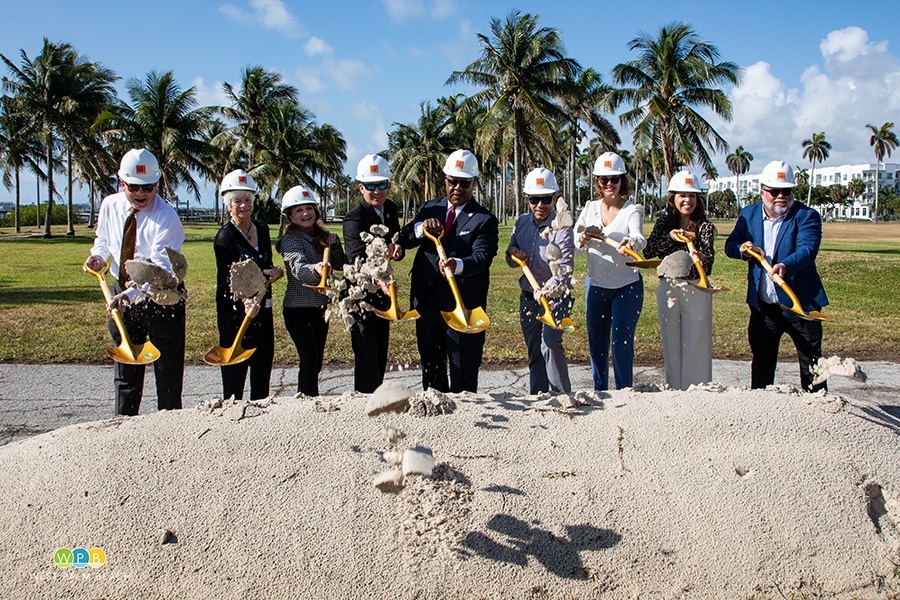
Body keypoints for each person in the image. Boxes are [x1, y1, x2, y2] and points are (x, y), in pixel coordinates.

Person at [84, 149, 186, 416]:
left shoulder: (167, 217)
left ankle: (170, 425)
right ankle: (124, 425)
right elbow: (104, 240)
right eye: (134, 187)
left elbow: (158, 270)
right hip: (122, 292)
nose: (141, 194)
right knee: (126, 365)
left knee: (167, 370)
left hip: (161, 295)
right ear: (121, 183)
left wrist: (129, 296)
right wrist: (98, 256)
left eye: (149, 188)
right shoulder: (110, 205)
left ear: (157, 185)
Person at [398, 149, 499, 393]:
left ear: (472, 184)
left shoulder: (484, 220)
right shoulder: (429, 209)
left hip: (462, 305)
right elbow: (405, 238)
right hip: (427, 303)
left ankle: (465, 423)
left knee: (463, 372)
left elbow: (482, 257)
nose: (457, 188)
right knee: (431, 371)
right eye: (452, 182)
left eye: (464, 183)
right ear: (445, 181)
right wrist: (423, 227)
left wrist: (458, 265)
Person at [725, 160, 828, 392]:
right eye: (774, 191)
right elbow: (730, 244)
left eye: (787, 191)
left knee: (811, 365)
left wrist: (785, 265)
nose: (781, 196)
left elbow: (807, 249)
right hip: (764, 309)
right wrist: (741, 249)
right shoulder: (748, 214)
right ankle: (761, 411)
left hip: (801, 306)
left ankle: (820, 411)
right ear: (763, 191)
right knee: (762, 363)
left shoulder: (806, 216)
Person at [575, 151, 646, 391]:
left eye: (614, 179)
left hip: (627, 286)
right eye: (604, 179)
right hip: (596, 286)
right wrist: (584, 237)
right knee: (597, 344)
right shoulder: (589, 208)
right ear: (597, 182)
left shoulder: (632, 209)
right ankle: (600, 392)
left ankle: (625, 393)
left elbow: (638, 236)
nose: (609, 184)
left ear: (622, 181)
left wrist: (632, 243)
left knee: (621, 344)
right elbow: (575, 242)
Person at [213, 169, 282, 400]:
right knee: (235, 373)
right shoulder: (225, 238)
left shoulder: (261, 229)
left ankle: (260, 419)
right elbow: (227, 278)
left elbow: (265, 261)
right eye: (237, 202)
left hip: (263, 306)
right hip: (235, 313)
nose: (243, 206)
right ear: (228, 206)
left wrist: (273, 271)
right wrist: (244, 302)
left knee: (262, 368)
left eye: (247, 200)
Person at [645, 169, 716, 390]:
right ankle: (674, 389)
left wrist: (701, 258)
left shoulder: (704, 227)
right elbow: (649, 252)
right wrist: (670, 238)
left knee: (697, 343)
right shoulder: (663, 223)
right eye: (682, 196)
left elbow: (709, 264)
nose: (687, 200)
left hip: (696, 287)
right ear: (673, 198)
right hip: (668, 286)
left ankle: (698, 389)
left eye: (692, 195)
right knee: (671, 342)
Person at [506, 167, 574, 394]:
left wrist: (548, 289)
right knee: (535, 350)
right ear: (527, 199)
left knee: (551, 344)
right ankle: (538, 397)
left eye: (546, 199)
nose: (540, 205)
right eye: (535, 199)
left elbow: (564, 268)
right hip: (528, 297)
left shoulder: (562, 226)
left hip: (557, 297)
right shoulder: (521, 223)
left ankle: (562, 396)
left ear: (555, 197)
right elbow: (510, 257)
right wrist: (514, 255)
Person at [342, 154, 405, 393]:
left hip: (383, 292)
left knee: (380, 352)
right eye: (370, 186)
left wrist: (398, 251)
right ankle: (365, 402)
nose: (376, 191)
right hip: (359, 295)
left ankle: (377, 397)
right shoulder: (353, 218)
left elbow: (395, 243)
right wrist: (379, 280)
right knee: (366, 355)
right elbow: (357, 258)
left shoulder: (390, 209)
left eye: (381, 185)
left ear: (389, 186)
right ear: (360, 187)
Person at [277, 184, 345, 397]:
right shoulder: (290, 240)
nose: (305, 213)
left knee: (316, 361)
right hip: (298, 310)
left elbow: (341, 264)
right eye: (298, 210)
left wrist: (334, 246)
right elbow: (298, 268)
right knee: (309, 360)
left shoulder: (323, 237)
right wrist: (315, 269)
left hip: (319, 309)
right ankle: (306, 400)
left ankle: (308, 396)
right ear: (290, 216)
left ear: (316, 211)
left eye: (309, 208)